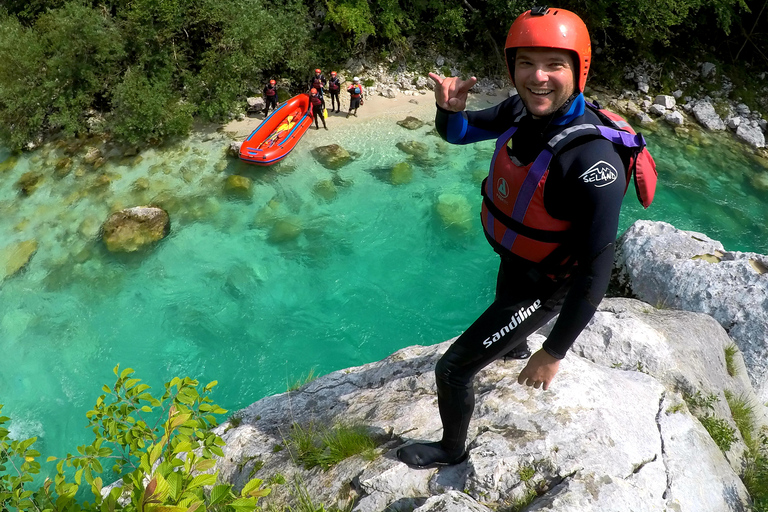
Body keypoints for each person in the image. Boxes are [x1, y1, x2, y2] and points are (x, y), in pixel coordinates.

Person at [396, 6, 654, 469]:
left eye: (555, 64)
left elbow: (597, 269)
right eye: (525, 63)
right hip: (517, 262)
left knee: (452, 370)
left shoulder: (593, 162)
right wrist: (448, 111)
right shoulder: (520, 109)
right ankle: (513, 346)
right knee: (506, 322)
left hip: (549, 285)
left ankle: (451, 450)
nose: (538, 77)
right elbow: (460, 133)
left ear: (579, 69)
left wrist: (554, 352)